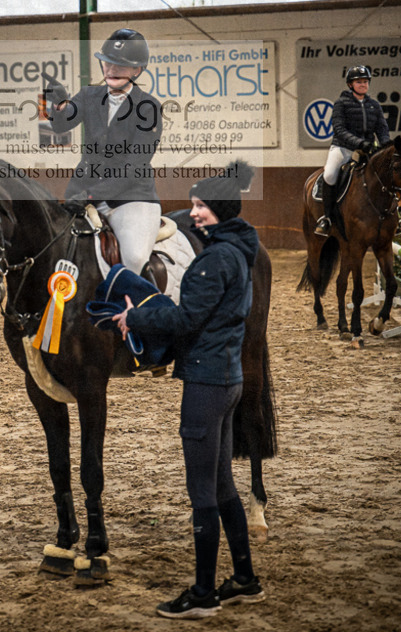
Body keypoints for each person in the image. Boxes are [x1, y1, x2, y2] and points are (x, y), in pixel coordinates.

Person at [113, 162, 265, 618]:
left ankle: (202, 594)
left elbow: (184, 321)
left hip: (205, 382)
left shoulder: (214, 260)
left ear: (216, 210)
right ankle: (243, 579)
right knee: (223, 487)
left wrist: (134, 317)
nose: (192, 213)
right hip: (229, 378)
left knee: (202, 492)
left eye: (199, 206)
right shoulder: (239, 251)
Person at [45, 28, 162, 275]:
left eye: (120, 65)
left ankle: (136, 309)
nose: (110, 70)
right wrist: (58, 104)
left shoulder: (148, 107)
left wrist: (91, 195)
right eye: (107, 63)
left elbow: (133, 168)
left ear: (137, 70)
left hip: (130, 199)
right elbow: (61, 124)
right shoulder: (89, 95)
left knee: (134, 256)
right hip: (82, 193)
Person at [314, 64, 390, 236]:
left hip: (369, 149)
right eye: (358, 82)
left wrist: (385, 143)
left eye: (365, 81)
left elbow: (382, 129)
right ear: (350, 85)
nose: (363, 84)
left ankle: (390, 217)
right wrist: (359, 143)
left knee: (386, 173)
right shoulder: (341, 104)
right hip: (343, 148)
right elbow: (339, 129)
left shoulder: (374, 105)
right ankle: (327, 218)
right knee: (330, 174)